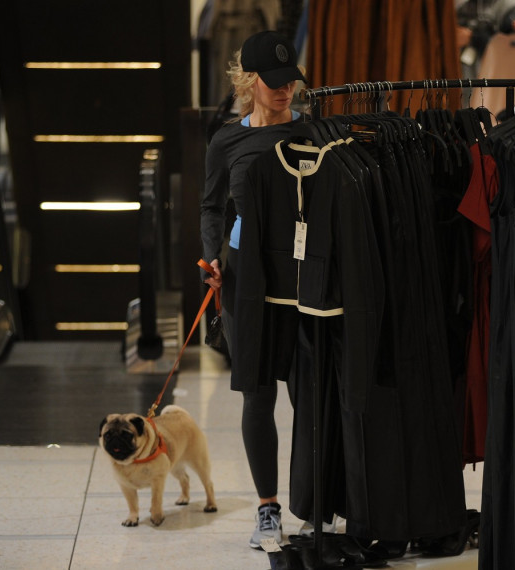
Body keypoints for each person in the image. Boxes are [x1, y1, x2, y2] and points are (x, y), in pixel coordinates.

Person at [199, 30, 306, 550]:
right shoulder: (227, 140)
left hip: (306, 272)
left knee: (309, 393)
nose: (285, 91)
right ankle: (268, 508)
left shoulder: (315, 132)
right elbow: (212, 206)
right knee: (258, 395)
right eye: (275, 82)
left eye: (291, 82)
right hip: (245, 273)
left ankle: (316, 499)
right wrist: (211, 258)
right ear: (250, 81)